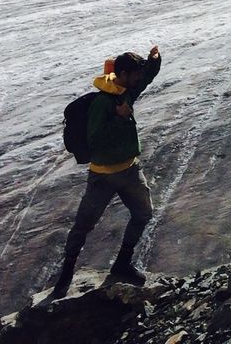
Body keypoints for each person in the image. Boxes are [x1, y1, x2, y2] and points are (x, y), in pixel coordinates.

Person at [50, 46, 162, 300]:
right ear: (122, 74)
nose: (138, 81)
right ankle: (65, 275)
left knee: (143, 213)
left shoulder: (125, 91)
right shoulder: (102, 103)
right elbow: (95, 140)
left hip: (130, 170)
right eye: (135, 75)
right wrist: (120, 119)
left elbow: (145, 79)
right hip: (103, 176)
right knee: (83, 226)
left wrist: (154, 61)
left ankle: (122, 262)